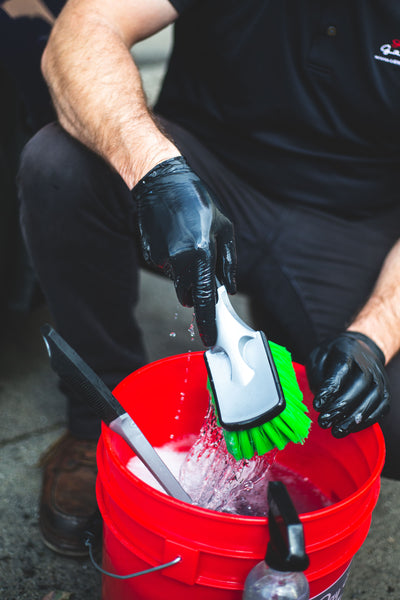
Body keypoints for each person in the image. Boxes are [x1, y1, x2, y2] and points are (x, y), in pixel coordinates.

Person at [17, 0, 400, 557]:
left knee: (389, 426)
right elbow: (85, 26)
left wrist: (374, 335)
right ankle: (96, 419)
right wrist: (154, 173)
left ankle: (301, 323)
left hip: (352, 226)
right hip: (201, 178)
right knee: (60, 165)